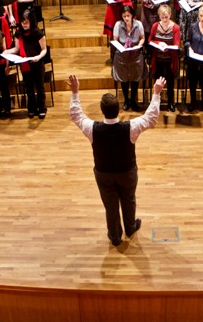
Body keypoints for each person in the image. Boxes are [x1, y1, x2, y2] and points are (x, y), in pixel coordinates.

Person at [68, 72, 165, 247]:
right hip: (127, 172)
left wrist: (75, 92)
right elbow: (151, 119)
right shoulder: (131, 127)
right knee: (129, 199)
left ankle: (114, 236)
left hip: (104, 174)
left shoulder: (92, 128)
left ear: (102, 110)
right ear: (118, 108)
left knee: (110, 206)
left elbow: (76, 115)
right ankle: (130, 227)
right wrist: (156, 93)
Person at [3, 9, 48, 119]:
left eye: (26, 22)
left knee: (39, 87)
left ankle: (42, 108)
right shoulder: (19, 33)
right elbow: (17, 49)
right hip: (25, 65)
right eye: (23, 22)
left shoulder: (38, 33)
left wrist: (38, 57)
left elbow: (44, 50)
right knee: (29, 88)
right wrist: (6, 52)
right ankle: (32, 109)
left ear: (31, 21)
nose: (24, 24)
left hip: (37, 64)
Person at [112, 5, 146, 111]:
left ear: (132, 15)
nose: (126, 18)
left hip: (135, 53)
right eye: (124, 16)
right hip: (122, 54)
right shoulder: (118, 25)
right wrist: (121, 47)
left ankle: (133, 100)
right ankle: (126, 99)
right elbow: (115, 39)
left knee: (136, 77)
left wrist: (138, 46)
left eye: (128, 15)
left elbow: (142, 38)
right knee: (124, 78)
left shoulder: (138, 24)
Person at [149, 4, 180, 112]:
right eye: (162, 17)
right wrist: (159, 43)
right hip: (158, 59)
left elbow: (176, 44)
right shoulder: (155, 26)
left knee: (170, 82)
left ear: (170, 15)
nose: (165, 19)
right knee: (158, 81)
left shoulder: (175, 27)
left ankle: (171, 102)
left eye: (166, 17)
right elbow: (150, 40)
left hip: (170, 60)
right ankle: (157, 102)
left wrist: (167, 47)